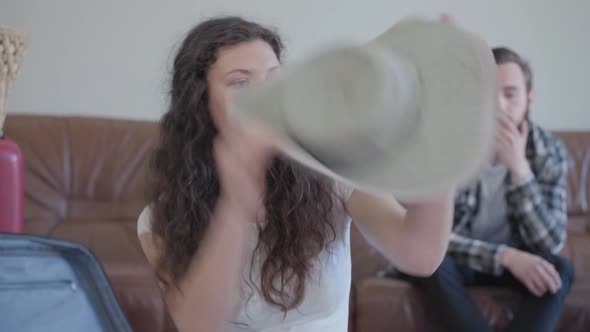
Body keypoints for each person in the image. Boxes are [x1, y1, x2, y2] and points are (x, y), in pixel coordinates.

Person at [136, 16, 462, 332]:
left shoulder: (331, 170)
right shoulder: (159, 218)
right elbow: (197, 325)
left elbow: (420, 255)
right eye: (240, 82)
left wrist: (438, 140)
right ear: (199, 102)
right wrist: (234, 210)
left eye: (274, 79)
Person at [395, 47, 575, 332]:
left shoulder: (548, 150)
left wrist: (520, 171)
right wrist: (504, 256)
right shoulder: (449, 147)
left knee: (561, 269)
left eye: (510, 94)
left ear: (529, 98)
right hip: (459, 262)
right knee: (433, 264)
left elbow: (549, 243)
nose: (499, 106)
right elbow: (429, 237)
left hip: (516, 266)